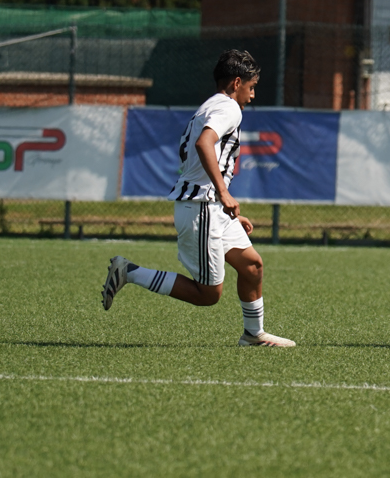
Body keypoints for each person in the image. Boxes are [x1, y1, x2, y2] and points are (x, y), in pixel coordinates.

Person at [101, 49, 295, 347]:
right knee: (208, 295)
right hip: (202, 207)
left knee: (252, 266)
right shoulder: (228, 107)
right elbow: (205, 143)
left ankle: (253, 334)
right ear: (237, 83)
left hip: (210, 206)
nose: (253, 95)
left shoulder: (211, 106)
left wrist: (224, 203)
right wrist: (223, 193)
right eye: (252, 86)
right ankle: (130, 272)